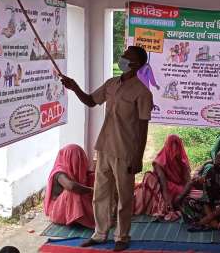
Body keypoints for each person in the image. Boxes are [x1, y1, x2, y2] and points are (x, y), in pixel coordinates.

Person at [61, 46, 153, 251]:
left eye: (127, 56)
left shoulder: (142, 92)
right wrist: (74, 87)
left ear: (137, 64)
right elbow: (91, 101)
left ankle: (122, 236)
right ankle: (100, 234)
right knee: (101, 194)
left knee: (124, 196)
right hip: (104, 147)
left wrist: (138, 158)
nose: (122, 58)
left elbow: (143, 127)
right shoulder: (111, 84)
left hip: (126, 151)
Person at [133, 134, 191, 221]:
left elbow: (189, 182)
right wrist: (167, 199)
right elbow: (163, 182)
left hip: (178, 189)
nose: (174, 150)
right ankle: (162, 204)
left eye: (176, 146)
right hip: (164, 189)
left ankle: (164, 203)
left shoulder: (182, 161)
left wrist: (180, 196)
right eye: (172, 146)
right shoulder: (159, 161)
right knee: (149, 178)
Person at [44, 144, 95, 228]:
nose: (80, 161)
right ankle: (84, 219)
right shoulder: (59, 172)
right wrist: (92, 190)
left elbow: (88, 175)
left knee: (92, 177)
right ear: (69, 158)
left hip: (68, 207)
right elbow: (71, 186)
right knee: (72, 191)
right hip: (57, 212)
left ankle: (89, 215)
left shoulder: (75, 169)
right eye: (77, 158)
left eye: (81, 157)